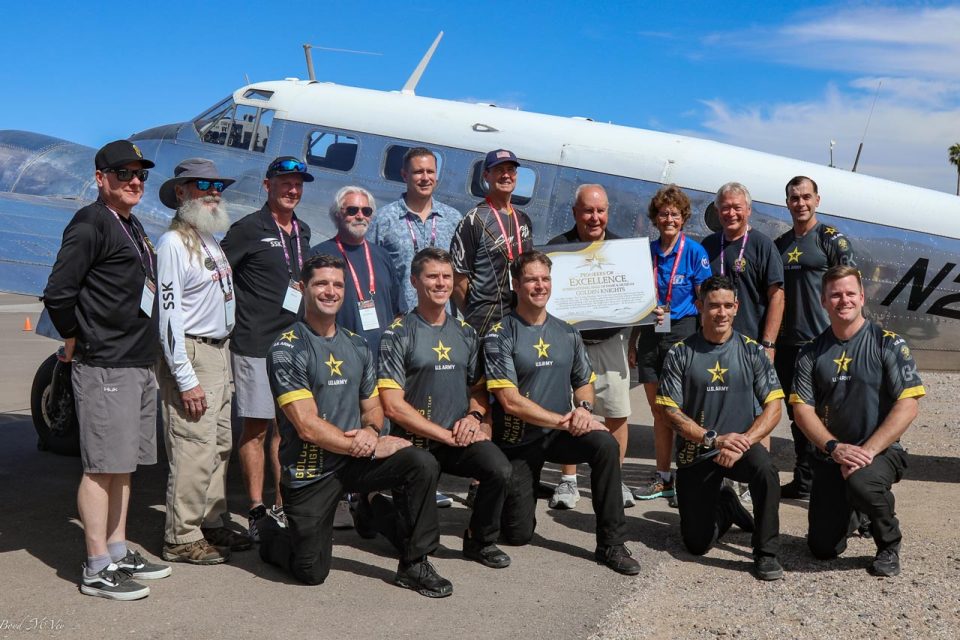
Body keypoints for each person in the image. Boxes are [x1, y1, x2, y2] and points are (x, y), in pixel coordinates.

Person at [259, 253, 453, 598]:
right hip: (312, 471)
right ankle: (270, 533)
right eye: (321, 283)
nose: (330, 291)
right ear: (303, 289)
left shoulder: (358, 344)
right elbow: (306, 425)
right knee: (311, 572)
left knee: (420, 463)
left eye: (337, 284)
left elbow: (372, 409)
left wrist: (372, 432)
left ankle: (413, 562)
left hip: (355, 459)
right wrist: (363, 444)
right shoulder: (286, 348)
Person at [43, 140, 171, 600]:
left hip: (136, 361)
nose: (134, 181)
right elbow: (59, 292)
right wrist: (79, 338)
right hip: (105, 363)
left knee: (124, 465)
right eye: (123, 174)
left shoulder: (131, 224)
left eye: (141, 175)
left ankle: (117, 548)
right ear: (101, 179)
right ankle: (97, 565)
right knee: (101, 467)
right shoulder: (90, 222)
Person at [484, 251, 640, 575]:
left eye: (545, 279)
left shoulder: (567, 332)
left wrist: (583, 409)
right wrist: (562, 420)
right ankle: (507, 494)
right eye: (531, 279)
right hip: (518, 441)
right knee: (517, 534)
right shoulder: (500, 334)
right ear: (516, 283)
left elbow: (584, 383)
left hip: (558, 433)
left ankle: (611, 544)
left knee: (605, 446)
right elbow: (510, 401)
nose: (539, 286)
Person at [376, 247, 514, 568]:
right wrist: (443, 434)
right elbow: (393, 407)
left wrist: (474, 416)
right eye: (432, 276)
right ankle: (375, 508)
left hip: (456, 439)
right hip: (413, 447)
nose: (441, 283)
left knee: (499, 469)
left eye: (447, 277)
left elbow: (479, 389)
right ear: (414, 281)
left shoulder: (465, 333)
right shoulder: (396, 335)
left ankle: (479, 541)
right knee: (424, 543)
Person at [791, 266, 924, 577]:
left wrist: (868, 451)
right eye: (835, 295)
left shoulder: (888, 343)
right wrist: (834, 448)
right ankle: (853, 513)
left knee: (863, 482)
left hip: (879, 452)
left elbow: (908, 405)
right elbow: (802, 411)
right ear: (823, 301)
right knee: (822, 549)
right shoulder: (810, 352)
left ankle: (888, 544)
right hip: (831, 456)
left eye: (850, 293)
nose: (844, 300)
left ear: (862, 297)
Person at [656, 275, 785, 581]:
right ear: (700, 307)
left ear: (737, 307)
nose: (721, 313)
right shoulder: (680, 352)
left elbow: (774, 407)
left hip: (741, 448)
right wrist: (713, 440)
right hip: (698, 452)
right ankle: (727, 507)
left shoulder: (752, 351)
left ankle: (766, 552)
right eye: (714, 306)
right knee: (696, 545)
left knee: (766, 471)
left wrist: (743, 442)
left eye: (728, 305)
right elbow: (668, 412)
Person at [155, 159, 251, 564]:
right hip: (193, 353)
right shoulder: (174, 244)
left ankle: (211, 522)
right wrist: (184, 376)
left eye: (218, 185)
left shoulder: (209, 238)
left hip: (219, 351)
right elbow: (168, 316)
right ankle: (181, 536)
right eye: (203, 185)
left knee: (220, 445)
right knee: (193, 446)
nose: (214, 191)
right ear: (181, 192)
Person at [221, 156, 314, 540]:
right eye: (284, 183)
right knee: (256, 428)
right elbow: (219, 276)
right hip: (256, 343)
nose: (292, 190)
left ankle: (281, 504)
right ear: (267, 186)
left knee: (287, 428)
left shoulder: (303, 231)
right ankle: (256, 508)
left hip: (292, 345)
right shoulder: (247, 229)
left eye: (297, 184)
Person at [547, 184, 635, 509]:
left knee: (617, 413)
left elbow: (635, 296)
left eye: (600, 210)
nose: (595, 217)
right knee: (571, 414)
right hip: (570, 346)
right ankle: (568, 482)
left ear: (607, 212)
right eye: (588, 210)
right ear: (575, 213)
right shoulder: (557, 249)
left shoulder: (622, 249)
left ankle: (616, 480)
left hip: (611, 344)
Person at [629, 185, 712, 508]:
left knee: (683, 410)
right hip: (650, 332)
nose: (668, 219)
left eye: (674, 214)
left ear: (683, 218)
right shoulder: (646, 252)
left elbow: (704, 299)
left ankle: (688, 476)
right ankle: (663, 478)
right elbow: (638, 300)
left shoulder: (694, 253)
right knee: (658, 411)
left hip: (683, 331)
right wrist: (634, 341)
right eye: (663, 214)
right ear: (655, 218)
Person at [775, 176, 856, 500]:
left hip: (823, 343)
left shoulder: (831, 240)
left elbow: (850, 288)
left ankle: (840, 484)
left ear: (817, 200)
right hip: (788, 345)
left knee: (831, 414)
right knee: (798, 415)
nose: (800, 203)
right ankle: (805, 478)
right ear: (787, 203)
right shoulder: (780, 244)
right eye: (794, 198)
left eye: (806, 197)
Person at [369, 147, 463, 314]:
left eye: (430, 172)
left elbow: (460, 276)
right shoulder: (384, 220)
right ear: (405, 175)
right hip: (399, 324)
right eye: (418, 172)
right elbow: (370, 273)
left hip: (443, 323)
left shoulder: (453, 219)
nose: (425, 178)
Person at [310, 186, 400, 359]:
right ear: (337, 214)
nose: (360, 216)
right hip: (337, 360)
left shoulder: (383, 256)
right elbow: (309, 313)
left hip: (382, 362)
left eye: (366, 211)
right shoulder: (318, 255)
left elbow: (397, 311)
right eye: (352, 210)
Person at [451, 149, 534, 337]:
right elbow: (457, 279)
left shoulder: (523, 219)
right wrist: (474, 313)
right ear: (486, 176)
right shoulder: (473, 220)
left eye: (510, 170)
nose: (506, 175)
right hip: (484, 325)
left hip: (522, 321)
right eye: (499, 170)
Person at [701, 182, 784, 354]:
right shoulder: (708, 245)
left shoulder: (763, 246)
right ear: (717, 212)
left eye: (737, 207)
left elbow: (777, 297)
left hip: (749, 346)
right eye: (725, 208)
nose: (731, 213)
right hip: (710, 344)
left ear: (748, 210)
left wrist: (768, 344)